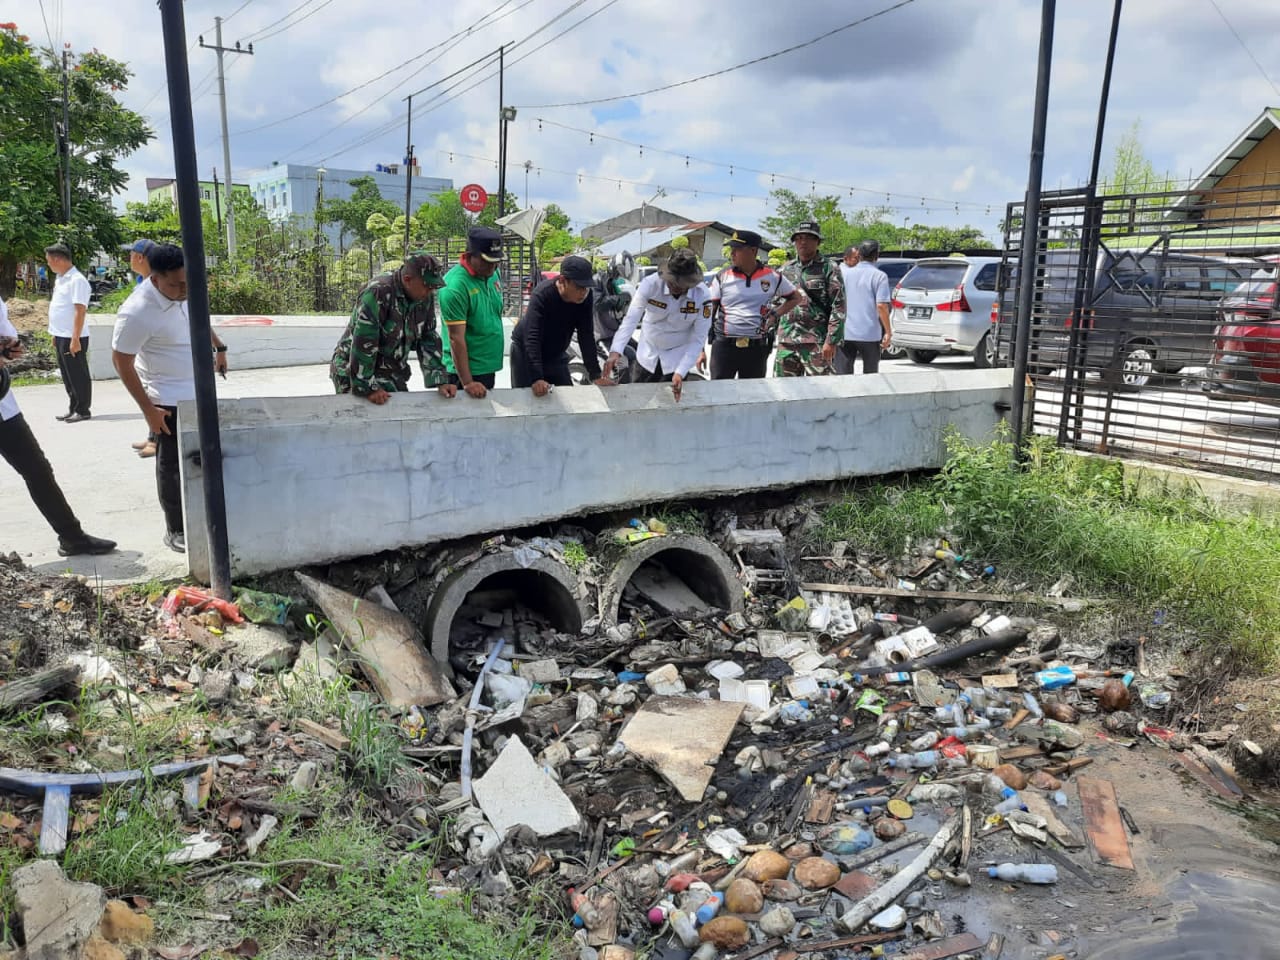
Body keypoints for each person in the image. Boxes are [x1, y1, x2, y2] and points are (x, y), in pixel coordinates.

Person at [112, 244, 229, 554]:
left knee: (206, 457)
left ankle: (205, 516)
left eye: (189, 283)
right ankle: (175, 528)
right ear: (155, 278)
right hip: (167, 399)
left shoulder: (185, 292)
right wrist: (149, 410)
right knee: (172, 465)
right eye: (176, 284)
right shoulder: (137, 312)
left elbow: (198, 318)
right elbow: (121, 362)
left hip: (199, 392)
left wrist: (219, 348)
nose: (184, 290)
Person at [0, 294, 116, 556]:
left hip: (4, 409)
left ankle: (72, 536)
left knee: (37, 470)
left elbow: (14, 347)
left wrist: (6, 351)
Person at [330, 251, 454, 404]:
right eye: (427, 287)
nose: (431, 292)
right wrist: (367, 387)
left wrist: (439, 379)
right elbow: (364, 341)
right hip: (355, 370)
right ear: (407, 280)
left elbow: (428, 338)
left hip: (391, 370)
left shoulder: (422, 297)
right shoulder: (378, 292)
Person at [602, 249, 710, 402]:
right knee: (638, 403)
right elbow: (631, 320)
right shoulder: (650, 284)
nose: (675, 287)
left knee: (670, 406)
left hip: (677, 358)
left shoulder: (702, 295)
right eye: (672, 281)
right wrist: (616, 351)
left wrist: (681, 371)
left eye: (680, 284)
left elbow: (699, 338)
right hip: (647, 354)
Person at [704, 229, 805, 380]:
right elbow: (708, 313)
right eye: (732, 249)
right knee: (721, 394)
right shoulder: (722, 276)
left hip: (756, 348)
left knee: (753, 395)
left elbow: (796, 298)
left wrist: (775, 314)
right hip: (725, 347)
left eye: (737, 250)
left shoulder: (772, 276)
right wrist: (700, 349)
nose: (732, 253)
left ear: (753, 250)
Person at [510, 256, 608, 395]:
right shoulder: (543, 294)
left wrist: (595, 375)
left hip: (555, 353)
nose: (583, 292)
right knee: (527, 401)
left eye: (586, 287)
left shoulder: (586, 297)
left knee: (566, 395)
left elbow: (585, 335)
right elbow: (532, 337)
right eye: (579, 287)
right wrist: (537, 378)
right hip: (526, 352)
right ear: (563, 280)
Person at [439, 227, 506, 398]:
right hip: (464, 371)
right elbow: (456, 338)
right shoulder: (455, 286)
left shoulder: (492, 273)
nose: (493, 266)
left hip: (487, 366)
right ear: (470, 255)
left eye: (496, 261)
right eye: (487, 261)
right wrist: (467, 382)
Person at [774, 221, 846, 377]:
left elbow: (839, 306)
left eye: (808, 238)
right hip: (787, 341)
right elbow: (775, 303)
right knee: (782, 392)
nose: (802, 242)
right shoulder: (785, 269)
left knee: (822, 391)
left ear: (818, 242)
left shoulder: (829, 268)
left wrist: (831, 340)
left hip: (816, 341)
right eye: (798, 238)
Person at [45, 243, 93, 423]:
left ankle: (83, 409)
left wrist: (75, 338)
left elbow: (79, 310)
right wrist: (55, 333)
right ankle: (73, 407)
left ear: (58, 259)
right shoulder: (61, 278)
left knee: (77, 373)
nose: (48, 265)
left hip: (74, 336)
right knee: (67, 374)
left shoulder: (77, 280)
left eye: (49, 261)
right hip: (61, 335)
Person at [836, 239, 893, 375]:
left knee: (843, 376)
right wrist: (888, 332)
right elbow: (881, 306)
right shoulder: (879, 276)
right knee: (870, 376)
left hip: (845, 332)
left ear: (859, 255)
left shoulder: (844, 274)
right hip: (870, 334)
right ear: (876, 256)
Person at [126, 239, 158, 458]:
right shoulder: (142, 281)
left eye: (131, 254)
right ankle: (152, 436)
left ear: (140, 258)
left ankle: (157, 442)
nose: (129, 259)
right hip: (145, 353)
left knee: (157, 397)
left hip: (157, 352)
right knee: (148, 393)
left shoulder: (158, 284)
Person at [592, 253, 635, 377]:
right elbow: (598, 303)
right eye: (620, 269)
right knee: (622, 362)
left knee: (638, 352)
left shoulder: (615, 283)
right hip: (599, 334)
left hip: (613, 332)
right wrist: (619, 298)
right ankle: (621, 392)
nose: (621, 273)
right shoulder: (598, 281)